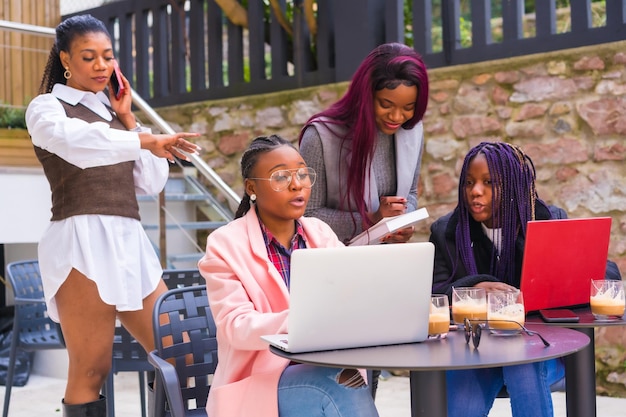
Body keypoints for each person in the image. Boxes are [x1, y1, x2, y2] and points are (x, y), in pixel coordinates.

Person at [25, 14, 200, 417]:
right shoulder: (47, 108)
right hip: (80, 242)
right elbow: (77, 143)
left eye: (107, 56)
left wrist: (127, 117)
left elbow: (151, 180)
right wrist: (143, 138)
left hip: (128, 242)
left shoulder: (113, 116)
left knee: (182, 354)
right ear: (66, 59)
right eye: (89, 57)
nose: (102, 66)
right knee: (91, 368)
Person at [429, 141, 622, 417]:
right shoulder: (448, 231)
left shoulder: (543, 220)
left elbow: (602, 272)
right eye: (469, 182)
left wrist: (542, 263)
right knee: (462, 405)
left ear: (512, 185)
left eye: (489, 182)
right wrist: (474, 286)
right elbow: (433, 293)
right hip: (475, 351)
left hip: (538, 347)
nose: (475, 191)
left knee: (523, 365)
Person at [198, 135, 379, 417]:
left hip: (327, 366)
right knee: (337, 385)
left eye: (302, 174)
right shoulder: (224, 244)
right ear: (251, 188)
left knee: (343, 379)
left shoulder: (320, 233)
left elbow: (349, 294)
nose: (297, 184)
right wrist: (300, 321)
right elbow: (235, 326)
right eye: (281, 177)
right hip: (260, 383)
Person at [299, 42, 429, 245]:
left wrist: (401, 221)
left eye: (408, 107)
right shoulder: (320, 137)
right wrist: (371, 220)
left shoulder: (412, 131)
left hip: (391, 258)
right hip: (338, 261)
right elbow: (307, 215)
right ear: (366, 95)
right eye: (386, 105)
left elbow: (410, 194)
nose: (396, 116)